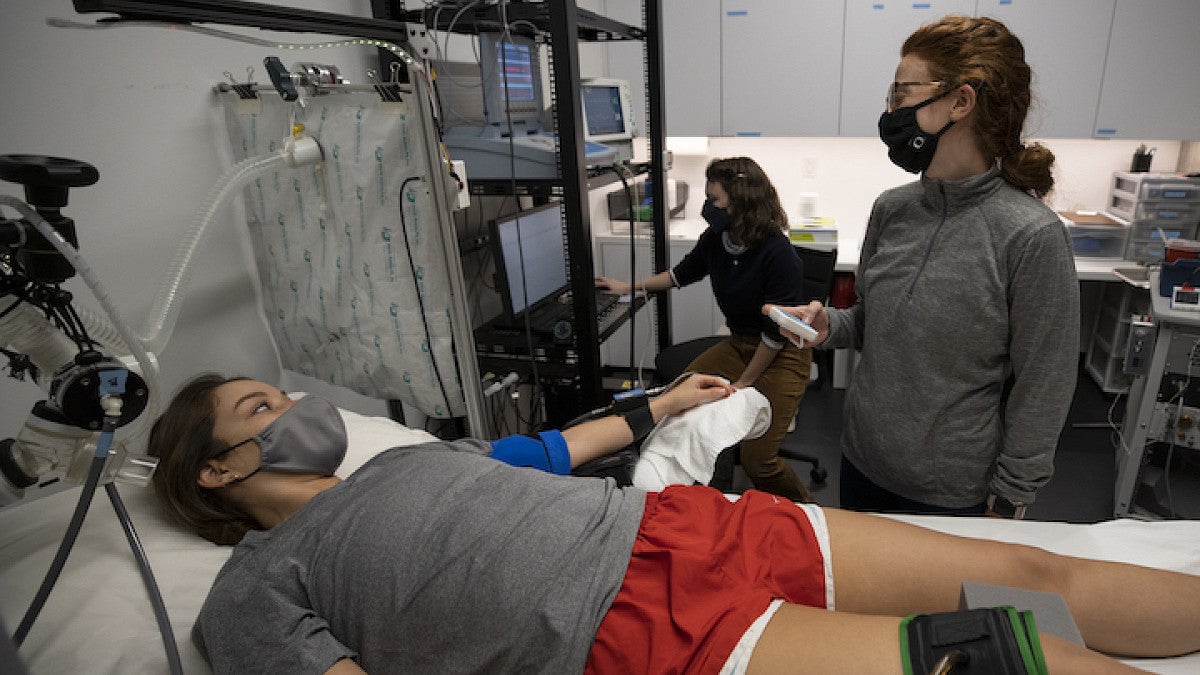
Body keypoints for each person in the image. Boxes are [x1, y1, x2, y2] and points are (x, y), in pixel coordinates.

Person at [147, 372, 1200, 674]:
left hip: (694, 524)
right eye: (260, 413)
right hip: (624, 628)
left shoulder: (419, 456)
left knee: (1024, 573)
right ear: (215, 471)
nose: (294, 410)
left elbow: (553, 454)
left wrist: (661, 407)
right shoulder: (256, 590)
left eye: (279, 394)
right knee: (991, 658)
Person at [773, 15, 1080, 517]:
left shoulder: (1031, 236)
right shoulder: (892, 209)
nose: (890, 110)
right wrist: (831, 325)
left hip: (952, 491)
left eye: (901, 93)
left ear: (960, 101)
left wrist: (1011, 498)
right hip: (862, 461)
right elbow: (873, 323)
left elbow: (1044, 384)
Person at [596, 157, 812, 502]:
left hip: (783, 354)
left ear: (743, 201)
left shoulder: (778, 253)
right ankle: (712, 492)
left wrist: (744, 383)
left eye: (714, 200)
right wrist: (628, 287)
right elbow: (679, 275)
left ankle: (811, 515)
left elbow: (775, 335)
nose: (707, 208)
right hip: (741, 343)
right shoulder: (716, 239)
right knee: (680, 397)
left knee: (761, 462)